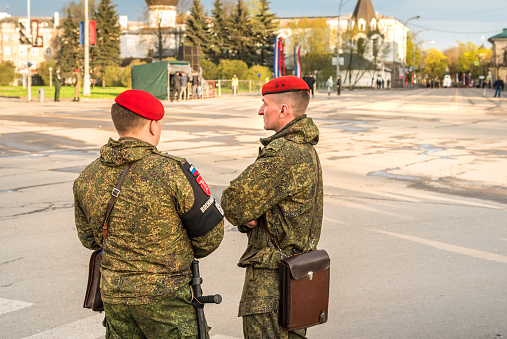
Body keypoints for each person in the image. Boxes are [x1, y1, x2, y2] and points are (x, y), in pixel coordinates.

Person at [73, 89, 224, 338]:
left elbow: (90, 240)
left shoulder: (87, 176)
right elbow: (209, 238)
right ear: (153, 126)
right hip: (168, 300)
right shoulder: (173, 171)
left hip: (115, 297)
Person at [221, 75, 323, 339]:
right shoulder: (305, 147)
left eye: (264, 103)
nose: (259, 110)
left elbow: (233, 201)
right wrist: (249, 217)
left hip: (271, 284)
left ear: (283, 109)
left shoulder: (282, 153)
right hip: (296, 275)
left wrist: (247, 216)